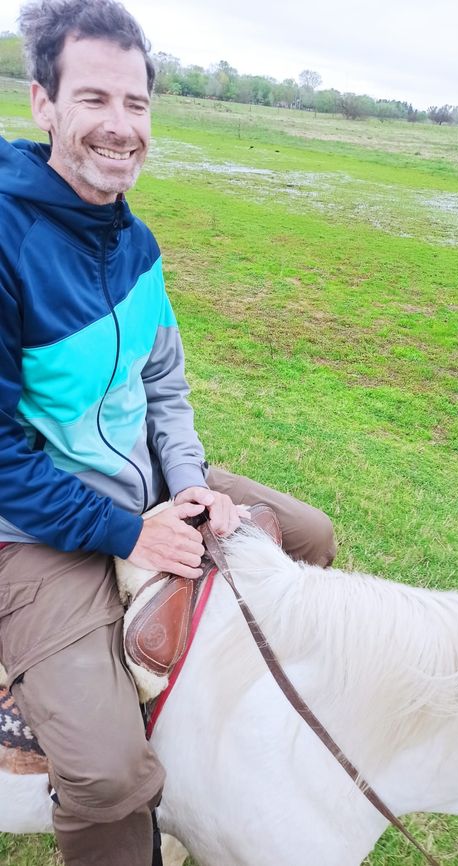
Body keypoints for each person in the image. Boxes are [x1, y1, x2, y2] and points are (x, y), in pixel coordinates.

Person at [0, 1, 336, 863]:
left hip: (144, 483)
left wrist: (186, 482)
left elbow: (163, 383)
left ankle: (213, 733)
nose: (121, 126)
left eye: (137, 104)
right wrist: (129, 530)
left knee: (311, 537)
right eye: (96, 100)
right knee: (109, 776)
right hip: (35, 525)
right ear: (44, 103)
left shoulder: (136, 245)